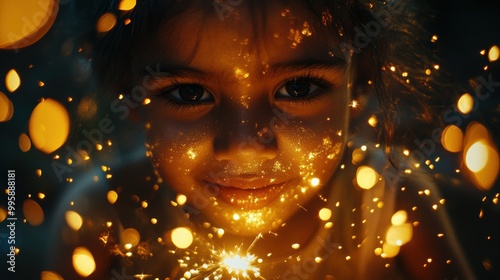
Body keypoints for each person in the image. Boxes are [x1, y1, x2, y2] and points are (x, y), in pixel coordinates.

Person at [46, 0, 485, 279]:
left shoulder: (389, 201)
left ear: (360, 87)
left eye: (298, 89)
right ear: (132, 97)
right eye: (189, 94)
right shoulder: (102, 218)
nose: (244, 144)